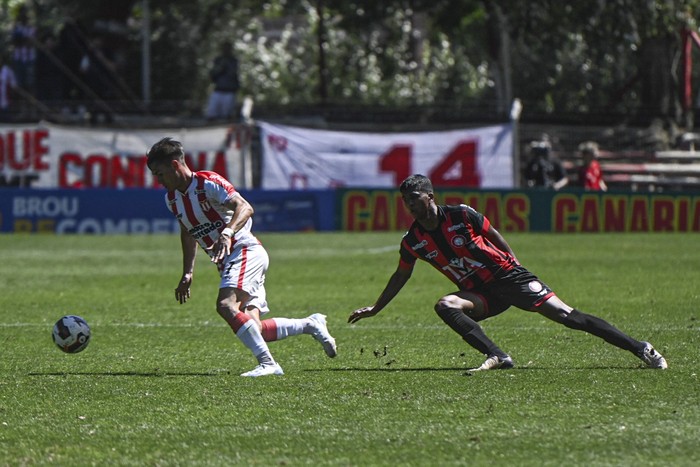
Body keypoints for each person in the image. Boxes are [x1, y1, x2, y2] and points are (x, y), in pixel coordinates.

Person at [348, 174, 667, 371]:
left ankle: (641, 348)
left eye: (414, 199)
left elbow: (494, 234)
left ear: (430, 196)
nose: (410, 206)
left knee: (570, 318)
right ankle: (497, 356)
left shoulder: (461, 215)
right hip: (483, 295)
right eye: (406, 202)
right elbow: (400, 275)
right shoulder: (414, 240)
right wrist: (376, 307)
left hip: (508, 278)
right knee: (445, 305)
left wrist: (514, 264)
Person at [147, 137, 337, 377]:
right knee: (255, 327)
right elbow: (187, 231)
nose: (159, 181)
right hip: (230, 261)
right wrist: (188, 271)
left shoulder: (207, 182)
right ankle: (311, 324)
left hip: (244, 250)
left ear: (175, 165)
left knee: (225, 306)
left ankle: (268, 364)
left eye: (160, 173)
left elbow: (245, 207)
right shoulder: (172, 199)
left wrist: (227, 233)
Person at [205, 41, 240, 120]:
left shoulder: (233, 61)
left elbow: (233, 74)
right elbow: (213, 74)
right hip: (218, 89)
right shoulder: (218, 60)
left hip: (229, 90)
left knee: (227, 114)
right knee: (211, 114)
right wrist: (220, 67)